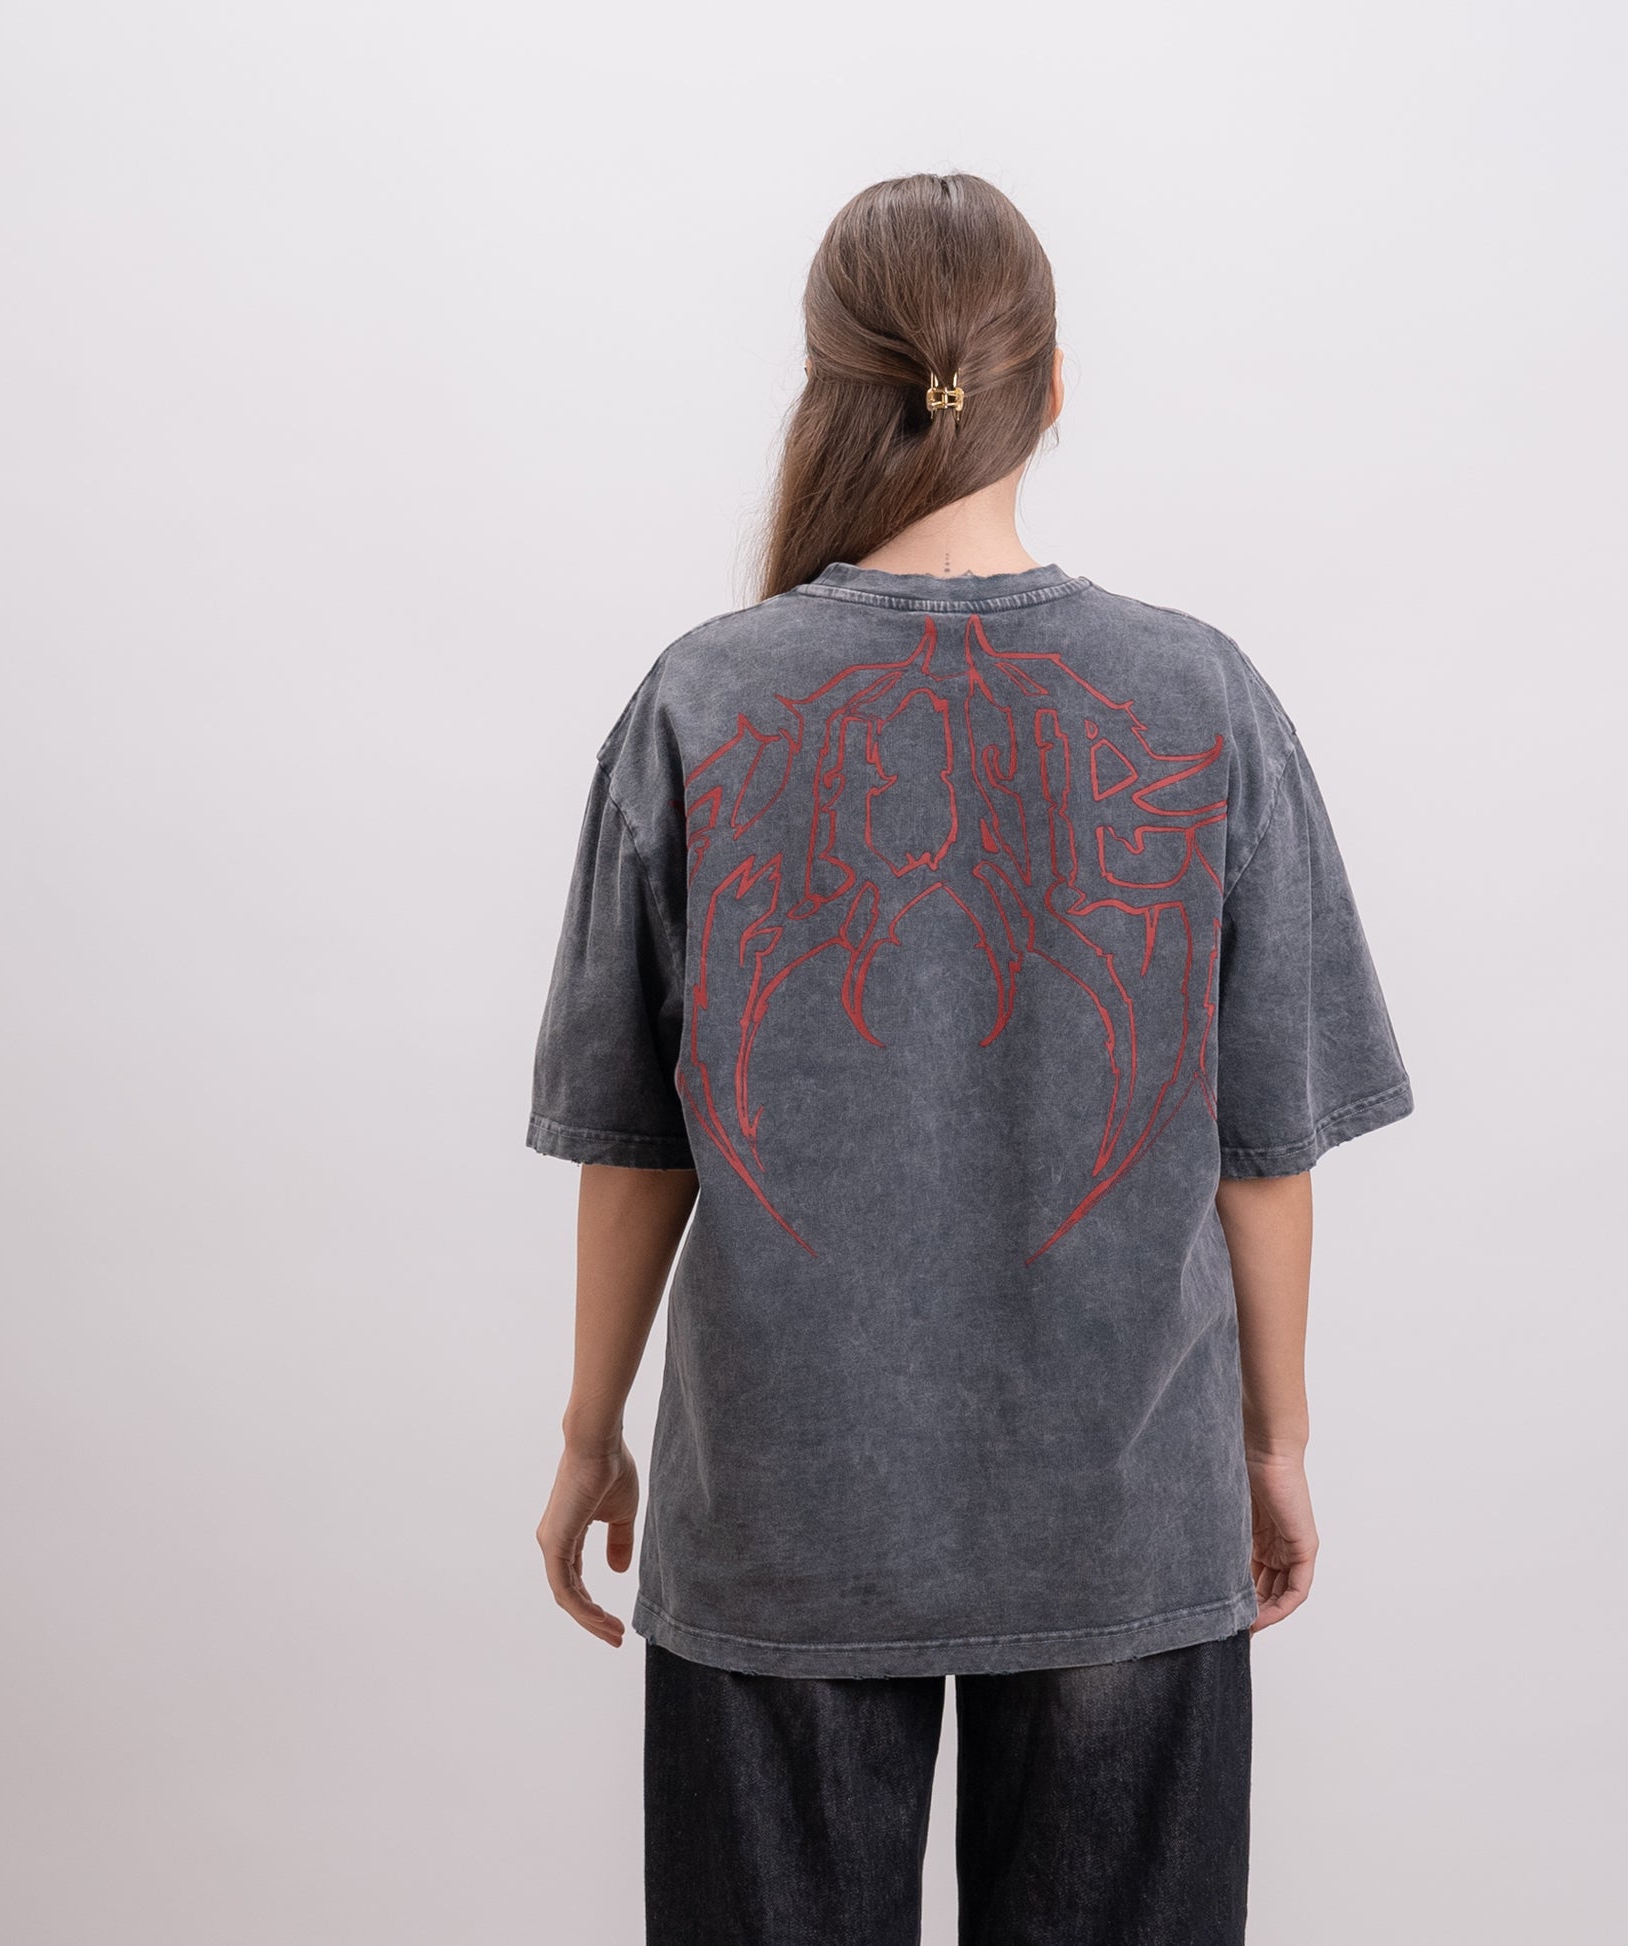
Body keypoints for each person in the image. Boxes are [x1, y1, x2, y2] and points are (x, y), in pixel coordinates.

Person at [529, 172, 1412, 1946]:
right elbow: (1263, 1151)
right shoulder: (1198, 700)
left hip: (783, 1511)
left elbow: (639, 1143)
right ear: (1052, 386)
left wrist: (587, 1430)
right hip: (1119, 1506)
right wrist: (1273, 1443)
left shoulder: (703, 700)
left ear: (821, 386)